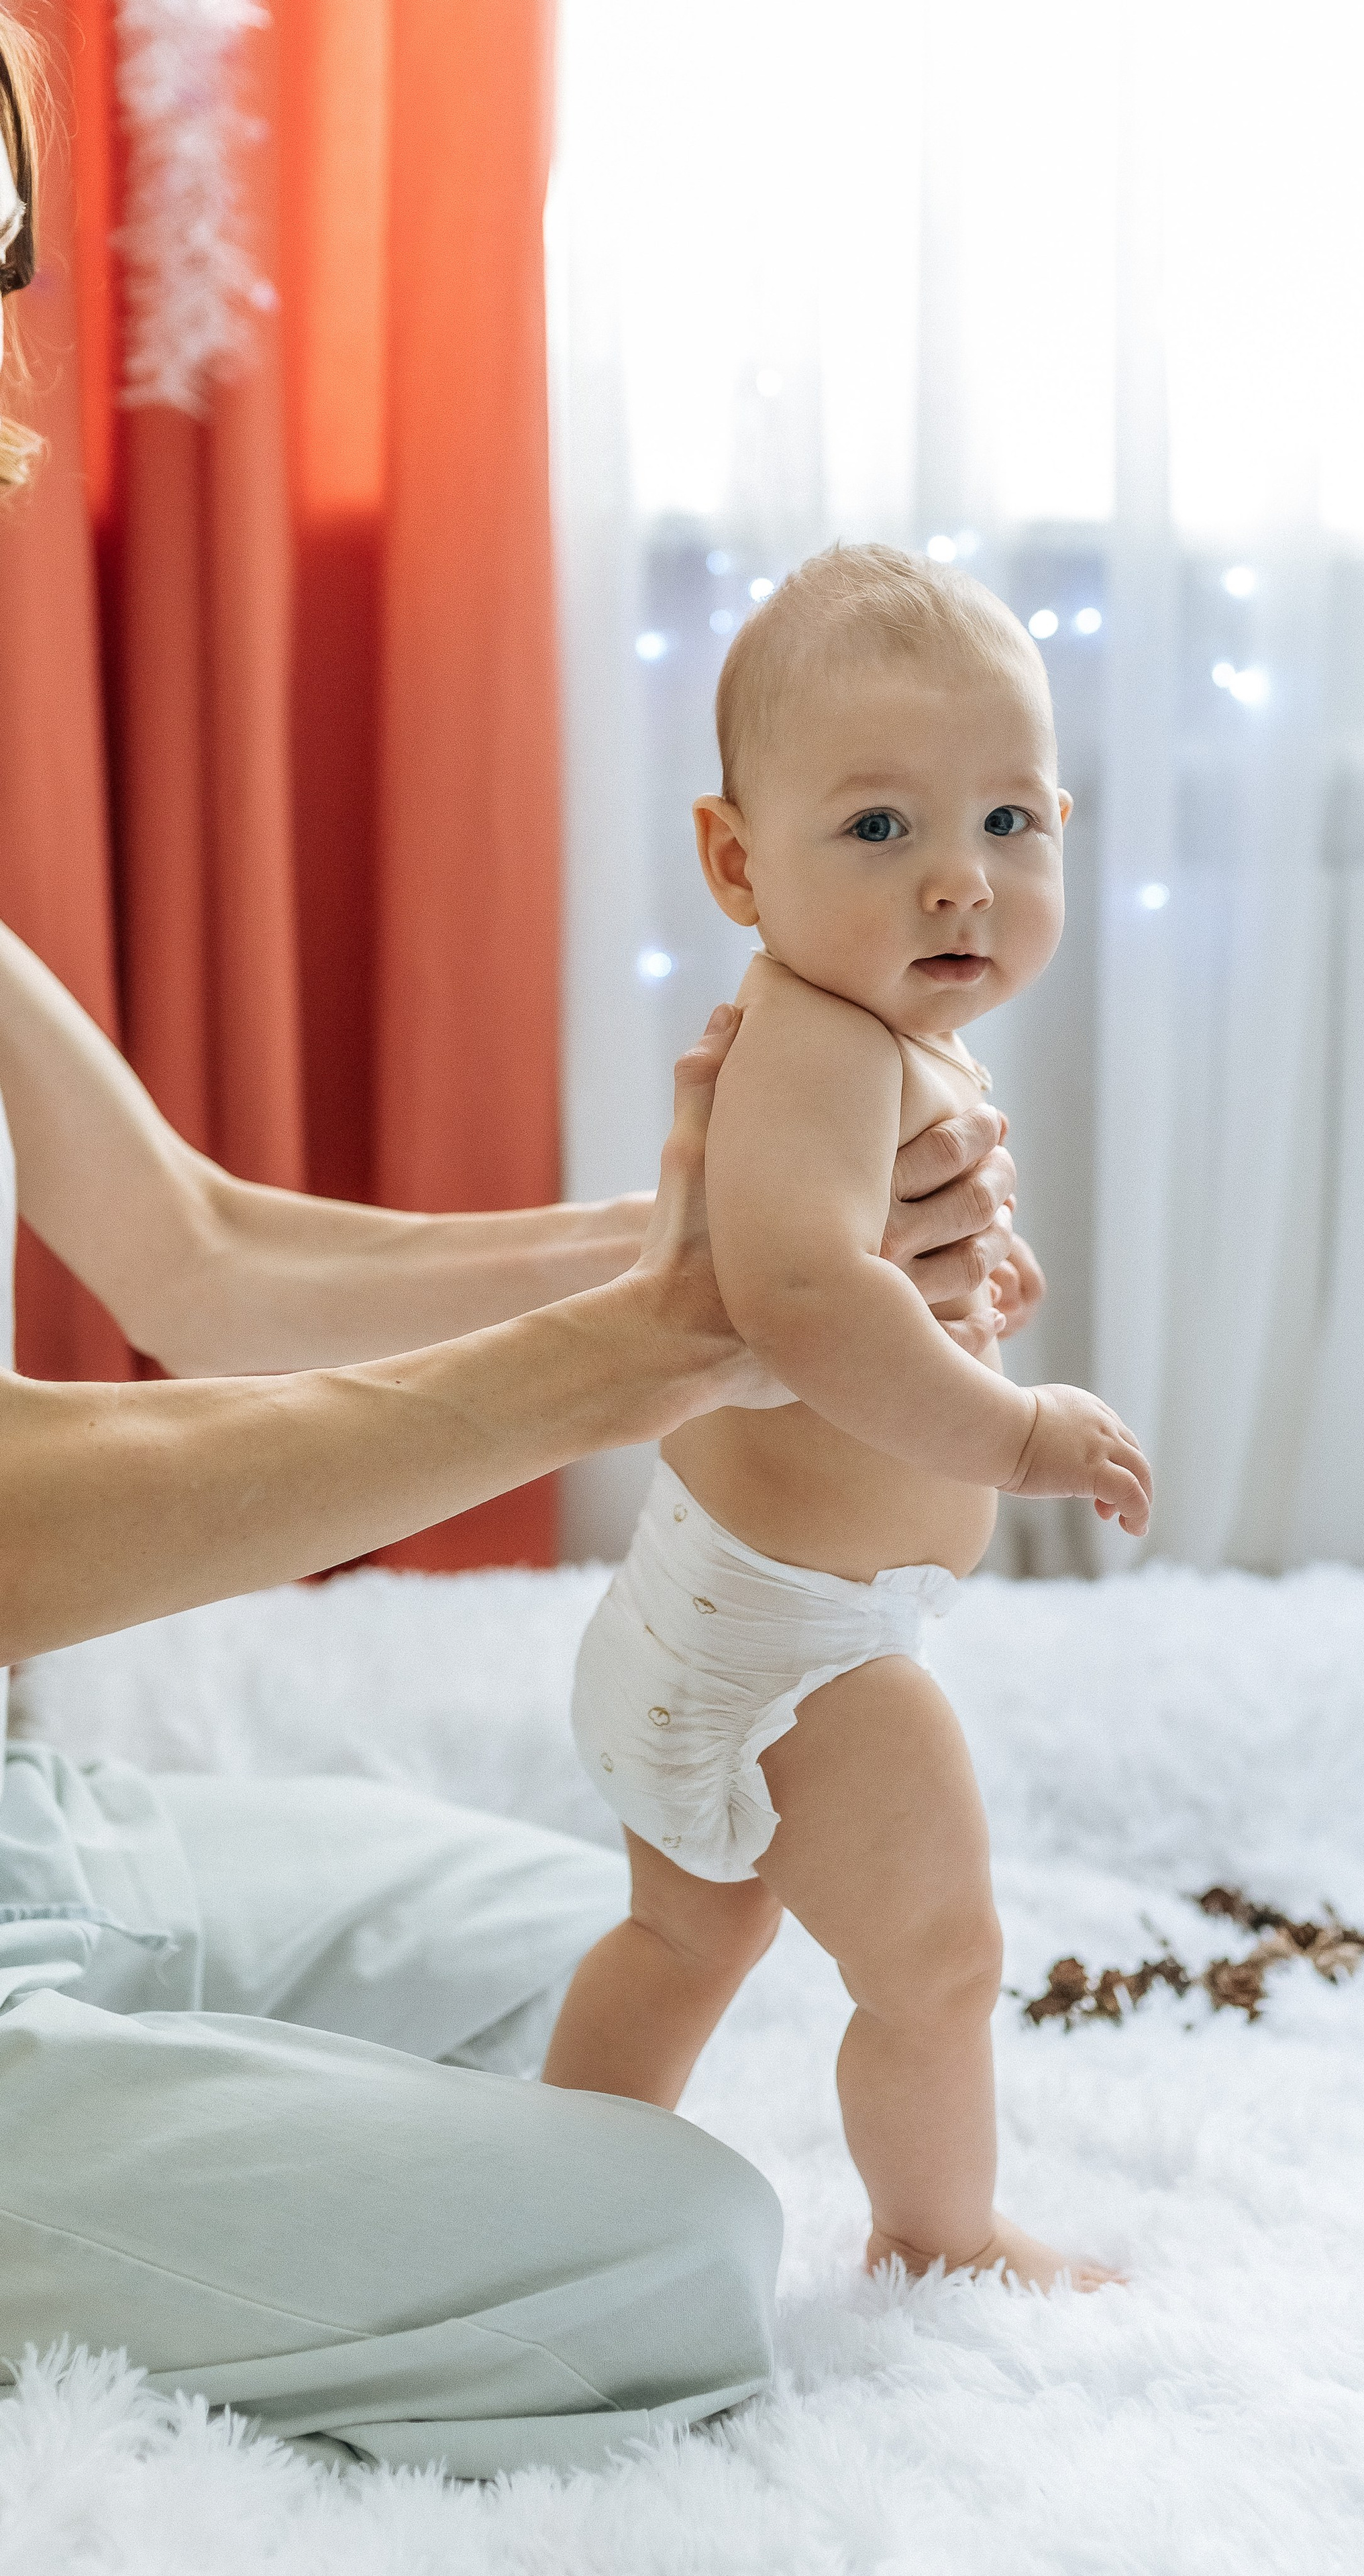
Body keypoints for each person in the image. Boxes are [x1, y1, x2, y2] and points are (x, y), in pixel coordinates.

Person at [0, 25, 1044, 2478]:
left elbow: (210, 1258)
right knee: (663, 2253)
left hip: (37, 1837)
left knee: (623, 1942)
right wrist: (659, 1348)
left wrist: (711, 1245)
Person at [545, 545, 1152, 2293]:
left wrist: (969, 1292)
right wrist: (1018, 1432)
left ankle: (551, 2179)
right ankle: (936, 2238)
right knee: (941, 1959)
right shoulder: (821, 1041)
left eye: (1012, 824)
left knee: (684, 1936)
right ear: (737, 862)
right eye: (881, 830)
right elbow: (808, 1300)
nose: (961, 879)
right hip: (801, 1654)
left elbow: (876, 1263)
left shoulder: (882, 1032)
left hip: (711, 1609)